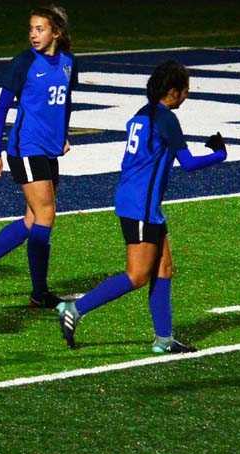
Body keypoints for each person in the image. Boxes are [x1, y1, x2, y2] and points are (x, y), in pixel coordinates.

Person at [57, 61, 227, 353]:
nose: (186, 95)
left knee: (164, 268)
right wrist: (219, 155)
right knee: (137, 275)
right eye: (185, 90)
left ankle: (164, 339)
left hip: (138, 201)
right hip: (141, 207)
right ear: (173, 91)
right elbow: (187, 164)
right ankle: (75, 309)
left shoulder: (142, 114)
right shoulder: (166, 119)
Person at [0, 5, 78, 309]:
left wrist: (63, 133)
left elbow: (65, 102)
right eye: (31, 29)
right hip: (26, 148)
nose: (33, 34)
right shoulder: (24, 62)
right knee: (45, 216)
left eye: (40, 29)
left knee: (32, 220)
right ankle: (39, 293)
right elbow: (2, 108)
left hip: (46, 149)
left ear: (57, 32)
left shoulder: (68, 62)